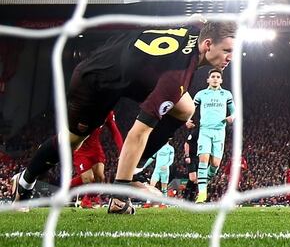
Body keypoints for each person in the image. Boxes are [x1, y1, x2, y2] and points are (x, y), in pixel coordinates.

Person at [11, 18, 237, 214]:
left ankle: (133, 172)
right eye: (227, 50)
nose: (231, 57)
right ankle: (25, 181)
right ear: (207, 45)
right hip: (96, 80)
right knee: (73, 140)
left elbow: (198, 21)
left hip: (131, 69)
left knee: (185, 108)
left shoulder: (197, 32)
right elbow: (137, 134)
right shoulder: (176, 77)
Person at [193, 69, 234, 203]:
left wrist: (231, 117)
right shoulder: (201, 94)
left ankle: (205, 180)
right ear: (208, 79)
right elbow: (190, 108)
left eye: (218, 76)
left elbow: (234, 111)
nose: (215, 78)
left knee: (215, 164)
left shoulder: (226, 94)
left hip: (219, 132)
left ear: (221, 80)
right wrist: (187, 119)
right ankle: (202, 194)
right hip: (205, 130)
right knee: (203, 160)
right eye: (213, 76)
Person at [70, 111, 123, 209]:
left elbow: (115, 132)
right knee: (88, 179)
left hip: (95, 149)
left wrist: (121, 150)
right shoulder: (84, 107)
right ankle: (68, 187)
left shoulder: (107, 112)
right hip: (80, 149)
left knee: (100, 178)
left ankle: (87, 200)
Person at [182, 124, 199, 201]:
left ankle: (191, 199)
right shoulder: (196, 132)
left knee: (196, 180)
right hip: (191, 157)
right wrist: (187, 156)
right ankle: (185, 197)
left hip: (199, 157)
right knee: (192, 178)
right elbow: (186, 143)